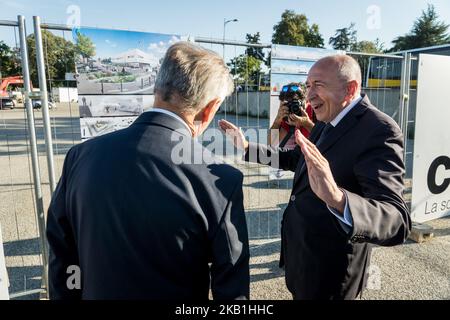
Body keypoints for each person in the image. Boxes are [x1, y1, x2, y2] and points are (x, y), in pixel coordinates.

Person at [46, 42, 250, 300]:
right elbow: (231, 289)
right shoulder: (220, 178)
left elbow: (62, 256)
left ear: (157, 88)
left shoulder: (80, 156)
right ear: (209, 108)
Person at [219, 55, 411, 300]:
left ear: (350, 89)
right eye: (308, 86)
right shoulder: (326, 119)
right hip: (302, 256)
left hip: (332, 272)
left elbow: (397, 220)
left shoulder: (380, 130)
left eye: (318, 85)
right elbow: (295, 159)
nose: (308, 96)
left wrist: (338, 199)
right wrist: (247, 147)